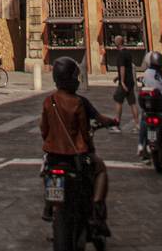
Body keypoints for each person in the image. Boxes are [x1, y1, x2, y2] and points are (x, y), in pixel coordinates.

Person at [39, 56, 117, 232]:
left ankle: (49, 203)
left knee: (45, 170)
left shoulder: (48, 101)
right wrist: (113, 121)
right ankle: (97, 204)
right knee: (100, 169)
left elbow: (43, 129)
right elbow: (84, 129)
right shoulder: (79, 102)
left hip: (52, 154)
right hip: (76, 155)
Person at [110, 34, 137, 130]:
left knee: (118, 101)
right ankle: (137, 124)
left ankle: (117, 124)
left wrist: (121, 81)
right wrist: (118, 77)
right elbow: (128, 67)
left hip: (124, 83)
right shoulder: (128, 53)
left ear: (118, 42)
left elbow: (122, 67)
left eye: (115, 41)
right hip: (130, 81)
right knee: (132, 103)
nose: (114, 42)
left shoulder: (121, 54)